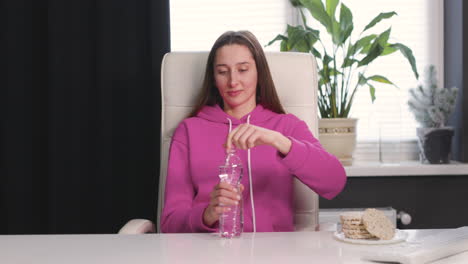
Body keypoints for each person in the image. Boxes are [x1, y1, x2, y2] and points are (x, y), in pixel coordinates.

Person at [161, 30, 346, 233]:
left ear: (259, 72)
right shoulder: (189, 131)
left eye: (243, 69)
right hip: (210, 253)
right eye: (223, 71)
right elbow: (170, 224)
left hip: (276, 255)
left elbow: (335, 181)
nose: (233, 82)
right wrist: (208, 214)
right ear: (213, 78)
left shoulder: (287, 127)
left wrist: (278, 140)